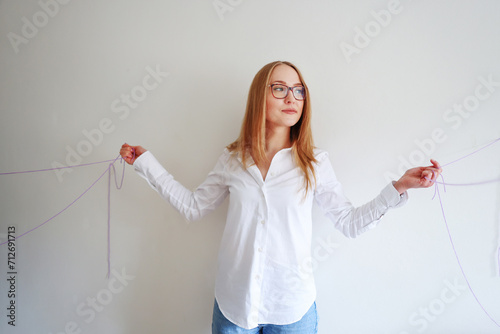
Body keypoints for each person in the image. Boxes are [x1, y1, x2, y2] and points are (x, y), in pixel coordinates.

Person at [119, 60, 442, 334]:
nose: (292, 97)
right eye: (280, 88)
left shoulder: (315, 162)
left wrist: (398, 187)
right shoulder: (233, 159)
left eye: (299, 90)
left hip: (293, 310)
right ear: (260, 97)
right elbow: (193, 207)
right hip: (234, 307)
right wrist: (147, 164)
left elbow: (349, 223)